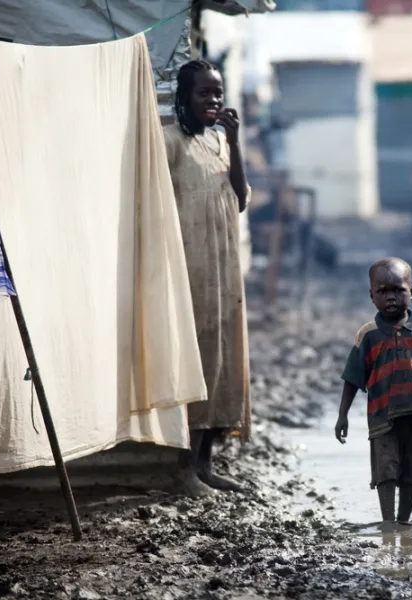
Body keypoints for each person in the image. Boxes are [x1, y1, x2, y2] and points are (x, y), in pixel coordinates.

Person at [164, 60, 252, 497]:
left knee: (223, 359)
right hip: (190, 267)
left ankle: (206, 464)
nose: (214, 101)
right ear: (185, 97)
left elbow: (240, 200)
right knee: (194, 360)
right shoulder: (170, 142)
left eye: (218, 93)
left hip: (224, 266)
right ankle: (182, 468)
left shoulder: (220, 141)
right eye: (204, 93)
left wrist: (235, 143)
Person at [334, 258, 412, 529]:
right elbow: (352, 378)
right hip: (382, 417)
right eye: (382, 292)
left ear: (411, 292)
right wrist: (342, 415)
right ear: (372, 296)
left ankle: (404, 521)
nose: (391, 297)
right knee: (386, 470)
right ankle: (388, 521)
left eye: (398, 290)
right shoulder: (367, 335)